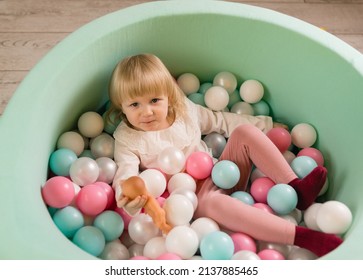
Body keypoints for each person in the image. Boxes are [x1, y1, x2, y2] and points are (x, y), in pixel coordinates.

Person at [107, 53, 343, 258]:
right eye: (134, 105)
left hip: (223, 173)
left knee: (243, 132)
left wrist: (266, 124)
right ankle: (304, 237)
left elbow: (221, 121)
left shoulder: (183, 111)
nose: (147, 111)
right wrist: (127, 196)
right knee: (215, 202)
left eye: (154, 101)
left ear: (168, 96)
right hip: (192, 203)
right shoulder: (127, 138)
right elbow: (124, 174)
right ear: (121, 106)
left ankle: (296, 189)